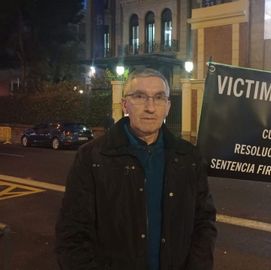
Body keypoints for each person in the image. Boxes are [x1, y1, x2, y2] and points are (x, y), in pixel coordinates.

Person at [55, 68, 217, 270]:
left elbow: (204, 222)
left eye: (159, 98)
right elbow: (72, 233)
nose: (150, 107)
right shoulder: (92, 157)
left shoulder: (188, 157)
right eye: (140, 97)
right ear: (125, 104)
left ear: (167, 106)